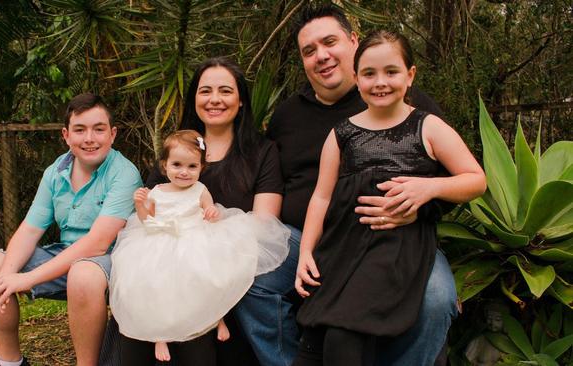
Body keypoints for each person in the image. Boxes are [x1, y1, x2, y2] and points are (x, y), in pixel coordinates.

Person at [253, 4, 462, 365]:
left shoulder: (406, 105)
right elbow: (284, 184)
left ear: (353, 41)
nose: (321, 56)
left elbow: (456, 178)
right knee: (253, 277)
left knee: (436, 299)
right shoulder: (288, 115)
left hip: (397, 238)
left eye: (329, 41)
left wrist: (414, 208)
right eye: (309, 50)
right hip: (312, 239)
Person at [292, 29, 486, 365]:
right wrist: (306, 251)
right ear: (356, 77)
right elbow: (321, 198)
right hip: (342, 247)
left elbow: (475, 180)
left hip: (396, 248)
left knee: (344, 334)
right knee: (313, 339)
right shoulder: (342, 134)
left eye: (391, 72)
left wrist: (428, 188)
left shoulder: (427, 127)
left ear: (410, 76)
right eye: (369, 73)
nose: (380, 82)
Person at [0, 93, 142, 366]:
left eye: (99, 129)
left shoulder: (124, 173)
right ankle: (9, 362)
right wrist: (7, 275)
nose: (90, 138)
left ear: (112, 134)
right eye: (80, 130)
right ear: (66, 135)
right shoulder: (56, 172)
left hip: (115, 263)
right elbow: (30, 230)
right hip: (67, 258)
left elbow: (98, 244)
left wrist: (27, 279)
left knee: (83, 273)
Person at [110, 129, 289, 365]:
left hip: (194, 238)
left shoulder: (200, 190)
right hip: (160, 241)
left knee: (209, 276)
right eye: (177, 165)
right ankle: (159, 335)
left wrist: (212, 212)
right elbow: (147, 221)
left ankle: (216, 318)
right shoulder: (157, 192)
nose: (184, 172)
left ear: (201, 168)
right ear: (164, 166)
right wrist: (140, 204)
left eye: (192, 167)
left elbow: (209, 210)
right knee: (153, 282)